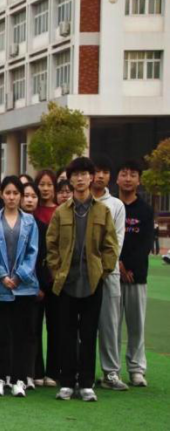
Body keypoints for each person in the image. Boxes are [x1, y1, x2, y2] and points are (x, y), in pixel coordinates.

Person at [46, 156, 118, 403]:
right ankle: (67, 382)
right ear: (70, 179)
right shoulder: (60, 212)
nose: (80, 179)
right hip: (67, 281)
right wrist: (56, 271)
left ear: (91, 178)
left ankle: (86, 383)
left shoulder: (102, 211)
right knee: (66, 334)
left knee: (88, 334)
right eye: (75, 175)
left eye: (84, 174)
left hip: (93, 281)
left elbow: (110, 246)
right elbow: (51, 244)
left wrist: (103, 271)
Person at [0, 176, 39, 397]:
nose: (11, 197)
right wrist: (2, 276)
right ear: (1, 194)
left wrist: (18, 276)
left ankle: (18, 380)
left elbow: (33, 252)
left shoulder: (30, 222)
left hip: (24, 287)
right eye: (8, 193)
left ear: (21, 196)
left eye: (16, 193)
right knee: (0, 336)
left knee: (21, 336)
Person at [91, 155, 129, 392]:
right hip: (83, 273)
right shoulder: (79, 201)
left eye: (105, 172)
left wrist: (104, 267)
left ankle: (111, 372)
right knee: (81, 326)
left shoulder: (116, 205)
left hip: (109, 273)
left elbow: (117, 241)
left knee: (109, 324)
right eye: (97, 171)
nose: (100, 176)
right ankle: (79, 371)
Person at [115, 159, 154, 388]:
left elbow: (145, 244)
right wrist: (117, 265)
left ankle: (137, 369)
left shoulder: (145, 210)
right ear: (117, 178)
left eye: (132, 174)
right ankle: (113, 370)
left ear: (139, 180)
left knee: (136, 326)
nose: (128, 178)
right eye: (124, 173)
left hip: (136, 277)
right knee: (112, 326)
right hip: (112, 274)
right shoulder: (110, 206)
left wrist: (129, 267)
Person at [25, 181, 59, 387]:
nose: (29, 200)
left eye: (33, 196)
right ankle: (34, 370)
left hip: (42, 286)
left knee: (51, 328)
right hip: (20, 286)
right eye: (26, 196)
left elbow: (45, 258)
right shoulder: (11, 223)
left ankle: (52, 371)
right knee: (32, 330)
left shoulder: (43, 227)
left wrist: (41, 285)